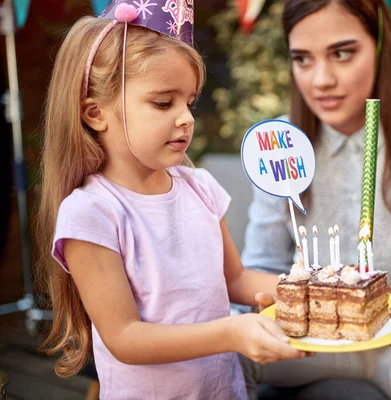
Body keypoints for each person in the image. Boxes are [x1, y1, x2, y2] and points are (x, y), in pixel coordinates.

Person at [35, 2, 309, 399]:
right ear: (96, 113)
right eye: (164, 103)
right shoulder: (92, 212)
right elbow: (125, 338)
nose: (186, 118)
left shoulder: (200, 187)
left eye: (190, 102)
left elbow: (235, 279)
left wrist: (311, 287)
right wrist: (231, 332)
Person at [239, 1, 391, 399]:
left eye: (342, 53)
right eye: (302, 58)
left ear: (382, 48)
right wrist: (264, 299)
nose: (321, 80)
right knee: (215, 355)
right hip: (303, 338)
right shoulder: (278, 146)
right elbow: (261, 264)